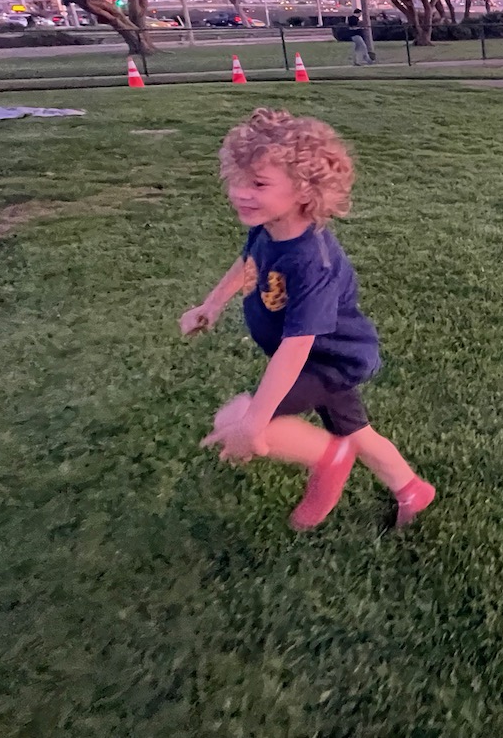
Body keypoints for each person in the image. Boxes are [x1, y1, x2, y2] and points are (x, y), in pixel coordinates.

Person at [181, 108, 435, 531]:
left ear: (304, 189)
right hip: (315, 356)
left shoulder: (310, 261)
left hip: (327, 361)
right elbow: (248, 260)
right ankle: (411, 489)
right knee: (358, 431)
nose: (242, 193)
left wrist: (254, 422)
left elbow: (297, 346)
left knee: (237, 418)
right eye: (238, 180)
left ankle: (330, 460)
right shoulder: (269, 226)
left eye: (259, 184)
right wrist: (211, 304)